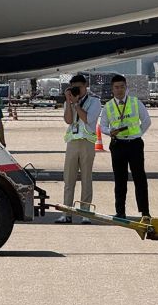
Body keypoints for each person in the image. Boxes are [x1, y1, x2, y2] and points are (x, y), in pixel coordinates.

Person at [98, 74, 152, 219]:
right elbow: (102, 125)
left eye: (122, 87)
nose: (119, 90)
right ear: (112, 89)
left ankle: (145, 211)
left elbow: (146, 120)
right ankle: (120, 211)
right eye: (116, 87)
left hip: (134, 144)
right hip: (118, 144)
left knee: (139, 178)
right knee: (120, 179)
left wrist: (138, 133)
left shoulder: (135, 102)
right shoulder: (108, 106)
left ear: (126, 87)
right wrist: (109, 132)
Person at [57, 73, 101, 223]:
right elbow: (68, 120)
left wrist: (76, 104)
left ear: (85, 86)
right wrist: (69, 103)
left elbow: (88, 119)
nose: (77, 91)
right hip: (72, 143)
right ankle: (66, 213)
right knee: (68, 179)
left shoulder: (94, 102)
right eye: (74, 88)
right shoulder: (68, 102)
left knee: (86, 178)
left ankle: (85, 213)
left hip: (87, 142)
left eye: (79, 88)